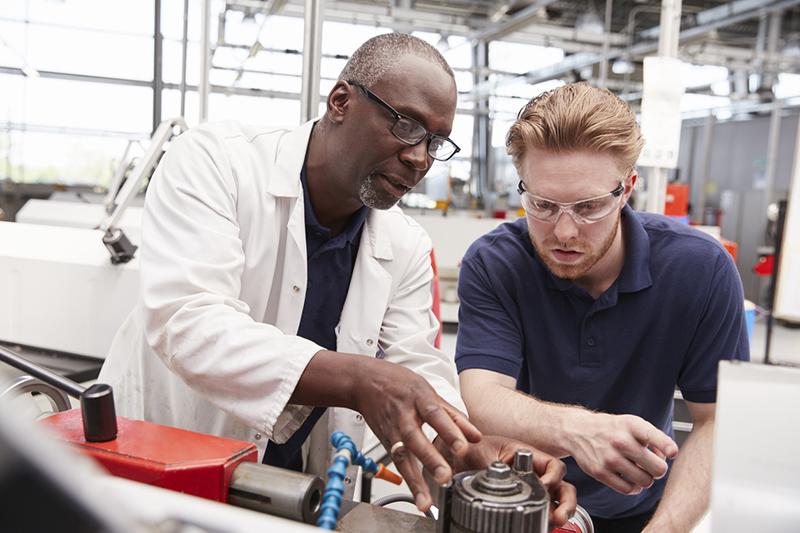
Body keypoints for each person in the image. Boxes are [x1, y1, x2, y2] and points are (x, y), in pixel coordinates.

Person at [99, 33, 575, 522]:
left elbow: (418, 370)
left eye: (435, 141)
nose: (419, 158)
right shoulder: (216, 162)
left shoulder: (406, 246)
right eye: (406, 125)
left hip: (295, 492)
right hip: (161, 470)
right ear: (341, 101)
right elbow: (188, 320)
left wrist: (466, 449)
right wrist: (356, 378)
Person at [455, 83, 749, 533]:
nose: (565, 231)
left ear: (627, 188)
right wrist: (580, 431)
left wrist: (665, 529)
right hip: (515, 504)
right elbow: (481, 397)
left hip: (644, 515)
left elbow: (716, 422)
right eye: (543, 205)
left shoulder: (700, 270)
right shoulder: (496, 263)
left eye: (589, 206)